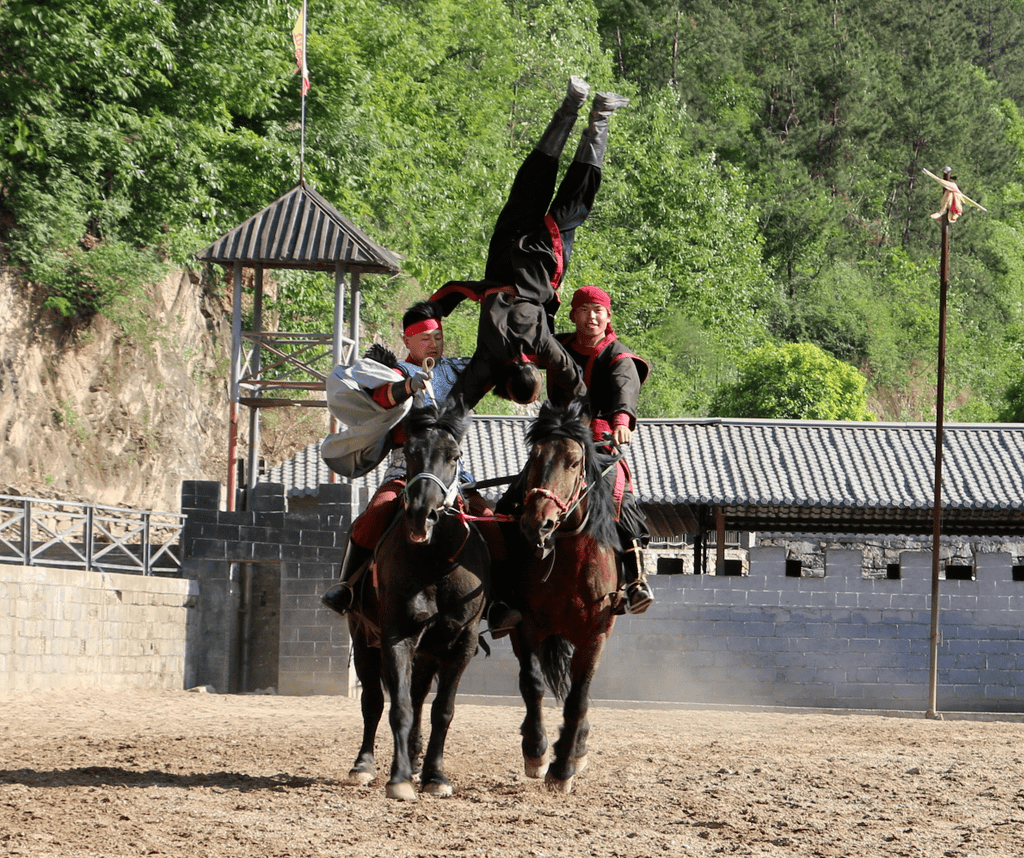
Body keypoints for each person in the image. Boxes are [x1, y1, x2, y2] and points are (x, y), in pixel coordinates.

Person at [429, 75, 629, 410]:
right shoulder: (488, 362)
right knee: (530, 183)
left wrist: (589, 415)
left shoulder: (541, 349)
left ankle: (601, 115)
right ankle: (572, 103)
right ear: (500, 384)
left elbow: (572, 379)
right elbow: (460, 398)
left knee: (574, 199)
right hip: (502, 258)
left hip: (541, 263)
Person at [321, 302, 519, 633]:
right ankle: (347, 587)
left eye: (438, 337)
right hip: (407, 469)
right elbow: (382, 397)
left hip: (451, 471)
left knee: (489, 521)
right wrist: (409, 387)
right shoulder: (391, 370)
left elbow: (490, 374)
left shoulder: (457, 371)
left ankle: (498, 602)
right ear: (408, 341)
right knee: (376, 514)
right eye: (426, 338)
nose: (434, 344)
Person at [555, 284, 654, 614]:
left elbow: (624, 388)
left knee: (618, 498)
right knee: (527, 491)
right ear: (574, 316)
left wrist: (621, 421)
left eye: (597, 311)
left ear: (608, 316)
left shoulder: (618, 355)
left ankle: (636, 580)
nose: (591, 317)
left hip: (600, 443)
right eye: (584, 311)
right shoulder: (558, 347)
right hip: (559, 438)